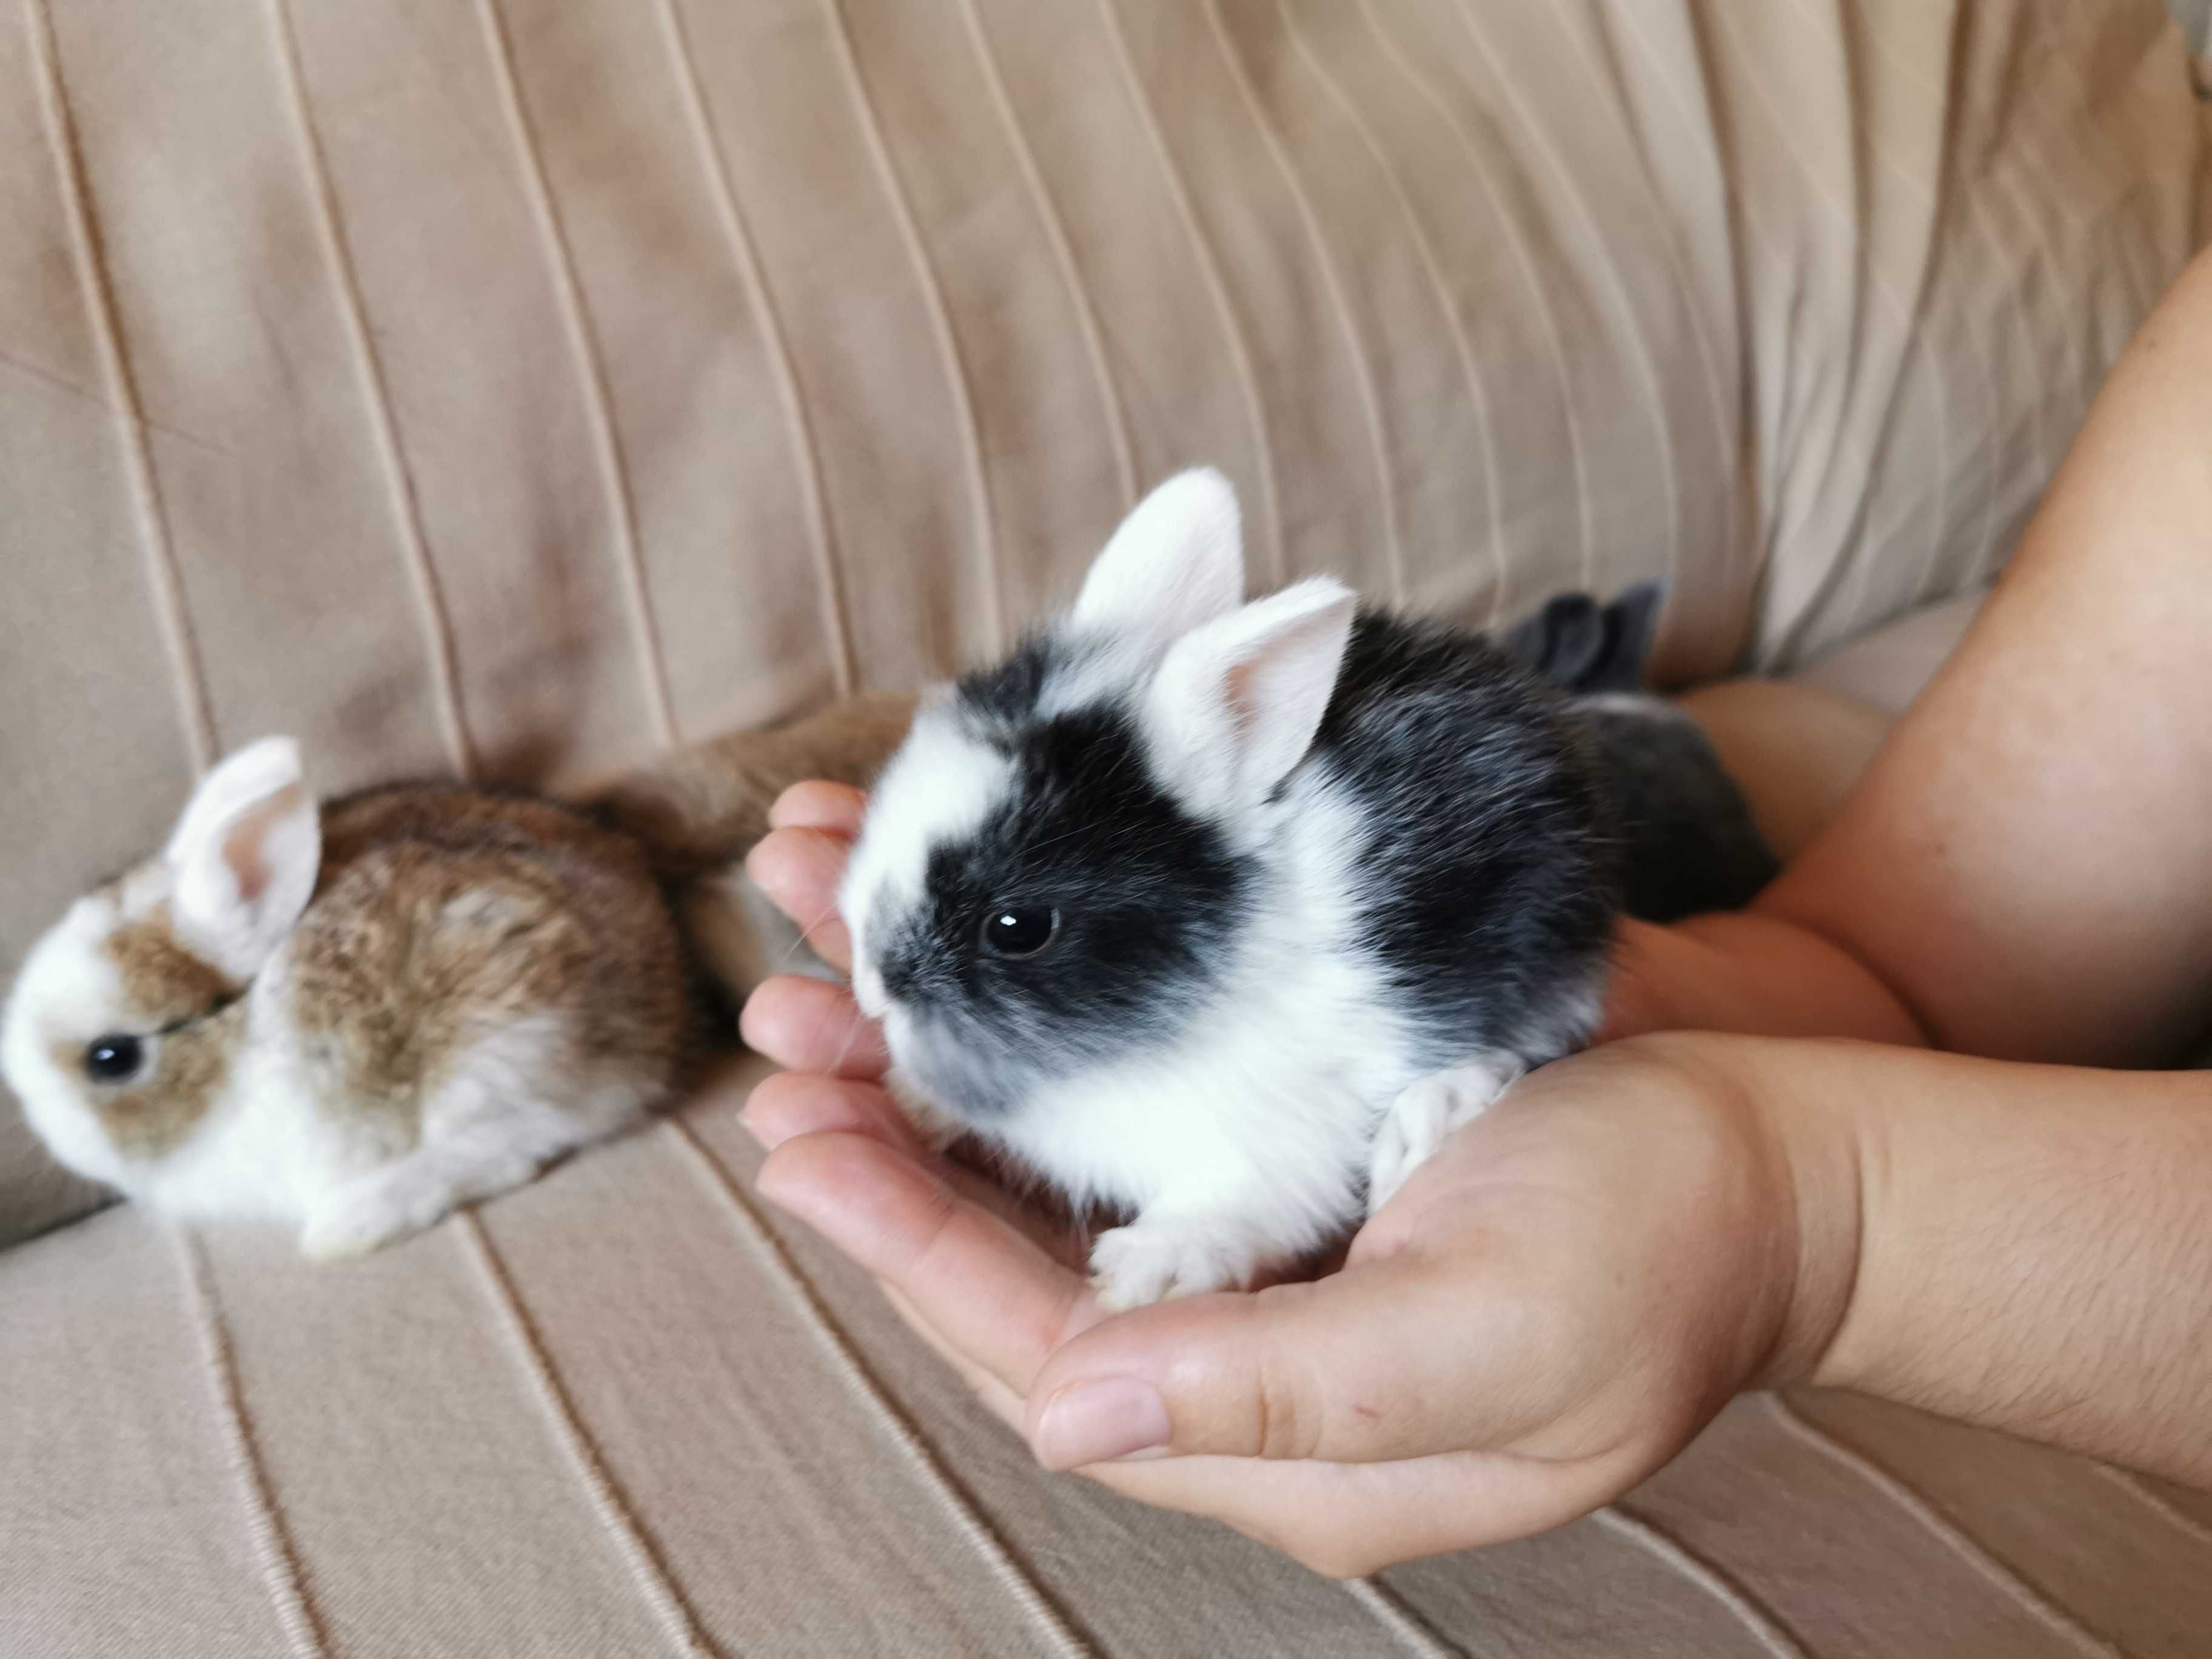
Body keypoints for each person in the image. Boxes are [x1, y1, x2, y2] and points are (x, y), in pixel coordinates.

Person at [733, 247, 2212, 1577]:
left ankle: (1521, 1012)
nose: (878, 979)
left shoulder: (1285, 974)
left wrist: (1813, 1226)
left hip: (1455, 951)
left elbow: (1282, 1143)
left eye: (1011, 936)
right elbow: (1908, 969)